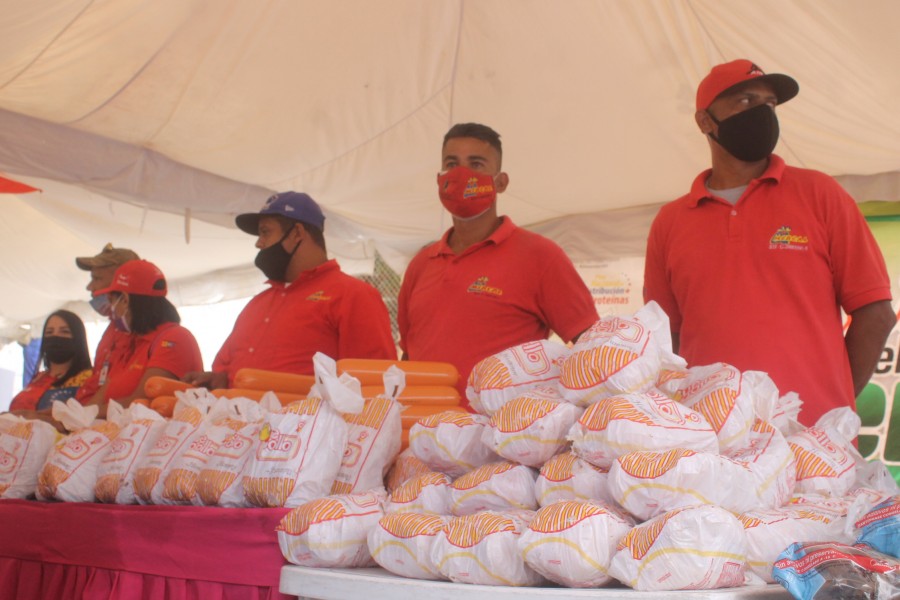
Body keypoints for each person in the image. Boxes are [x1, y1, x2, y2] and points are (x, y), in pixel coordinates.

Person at [643, 59, 896, 427]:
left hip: (812, 435)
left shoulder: (820, 194)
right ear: (705, 121)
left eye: (770, 104)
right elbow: (666, 340)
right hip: (712, 439)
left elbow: (876, 312)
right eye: (746, 101)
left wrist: (835, 406)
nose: (762, 113)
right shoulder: (671, 221)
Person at [397, 123, 598, 409]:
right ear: (439, 179)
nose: (461, 174)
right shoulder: (421, 264)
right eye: (451, 164)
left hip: (502, 433)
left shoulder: (540, 256)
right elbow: (409, 357)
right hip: (423, 431)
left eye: (476, 164)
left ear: (501, 182)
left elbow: (591, 348)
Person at [184, 192, 396, 390]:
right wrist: (219, 379)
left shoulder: (352, 294)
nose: (258, 243)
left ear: (297, 233)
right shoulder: (257, 303)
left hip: (309, 418)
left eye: (265, 232)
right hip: (237, 416)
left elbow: (374, 383)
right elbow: (226, 371)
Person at [81, 259, 203, 417]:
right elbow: (97, 401)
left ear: (125, 300)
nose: (111, 310)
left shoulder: (175, 338)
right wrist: (72, 417)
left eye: (111, 301)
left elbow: (141, 403)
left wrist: (83, 416)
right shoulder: (132, 341)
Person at [74, 243, 140, 402]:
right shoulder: (113, 329)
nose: (89, 287)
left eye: (97, 278)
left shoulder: (146, 333)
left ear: (124, 281)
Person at [9, 309, 92, 414]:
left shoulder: (88, 378)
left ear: (78, 338)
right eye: (49, 332)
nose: (55, 336)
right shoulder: (38, 377)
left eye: (64, 331)